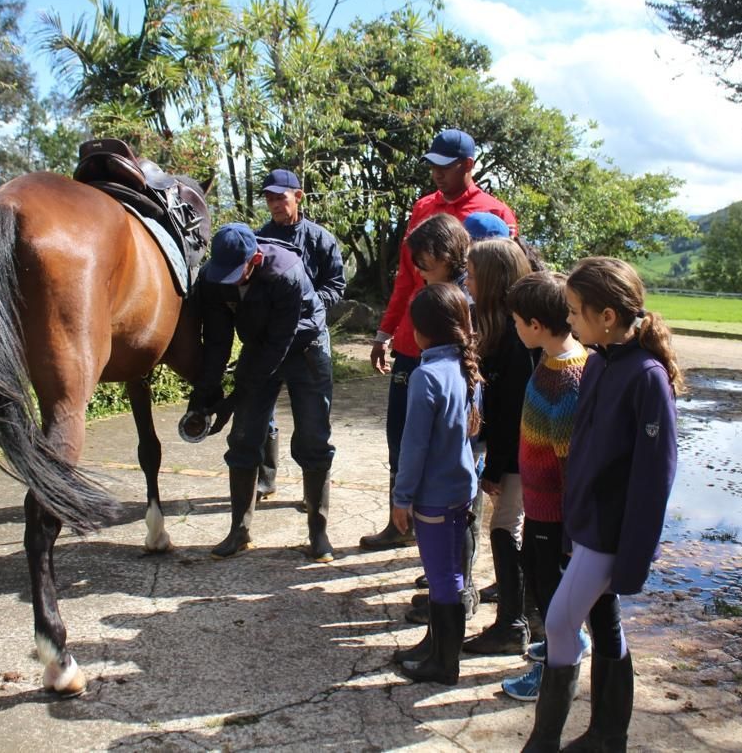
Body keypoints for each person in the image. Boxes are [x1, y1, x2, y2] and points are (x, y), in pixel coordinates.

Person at [524, 257, 680, 753]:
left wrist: (635, 555)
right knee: (603, 624)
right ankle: (608, 735)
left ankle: (546, 741)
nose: (568, 321)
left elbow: (655, 477)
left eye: (574, 311)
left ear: (607, 315)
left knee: (559, 622)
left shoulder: (646, 377)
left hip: (611, 535)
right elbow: (585, 453)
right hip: (586, 526)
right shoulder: (597, 363)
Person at [362, 128, 518, 552]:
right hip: (414, 343)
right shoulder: (422, 208)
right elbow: (404, 277)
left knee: (462, 447)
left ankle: (454, 538)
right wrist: (386, 331)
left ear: (468, 165)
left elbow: (505, 280)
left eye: (445, 166)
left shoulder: (494, 213)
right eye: (432, 165)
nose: (436, 174)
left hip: (465, 352)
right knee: (403, 436)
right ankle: (401, 520)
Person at [186, 223, 336, 562]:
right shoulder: (215, 277)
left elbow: (277, 347)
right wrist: (205, 395)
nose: (231, 281)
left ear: (255, 258)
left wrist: (233, 400)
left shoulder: (286, 271)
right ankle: (239, 531)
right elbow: (217, 341)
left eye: (238, 273)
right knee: (243, 438)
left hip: (304, 346)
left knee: (313, 437)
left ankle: (318, 532)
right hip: (259, 346)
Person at [499, 272, 590, 702]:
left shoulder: (568, 379)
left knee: (551, 596)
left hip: (553, 514)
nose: (514, 329)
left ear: (536, 325)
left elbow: (571, 462)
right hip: (537, 505)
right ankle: (565, 644)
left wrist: (571, 532)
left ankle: (555, 670)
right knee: (539, 582)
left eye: (517, 322)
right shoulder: (551, 361)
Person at [390, 282, 483, 686]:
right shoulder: (465, 368)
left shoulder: (427, 376)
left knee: (444, 579)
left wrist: (401, 497)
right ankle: (438, 652)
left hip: (433, 496)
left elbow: (414, 447)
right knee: (450, 575)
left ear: (420, 331)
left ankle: (445, 664)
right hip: (462, 488)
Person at [461, 238, 537, 657]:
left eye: (471, 275)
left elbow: (514, 412)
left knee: (507, 530)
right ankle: (519, 615)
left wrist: (495, 468)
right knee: (506, 528)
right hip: (511, 454)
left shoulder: (514, 335)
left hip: (520, 458)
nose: (466, 282)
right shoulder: (500, 326)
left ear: (492, 280)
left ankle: (513, 624)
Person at [254, 169, 346, 501]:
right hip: (269, 341)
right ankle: (266, 479)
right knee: (260, 415)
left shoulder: (321, 239)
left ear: (299, 196)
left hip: (311, 343)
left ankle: (314, 488)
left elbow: (336, 284)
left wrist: (307, 308)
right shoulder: (258, 239)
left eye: (280, 197)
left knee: (313, 420)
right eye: (269, 199)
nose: (275, 205)